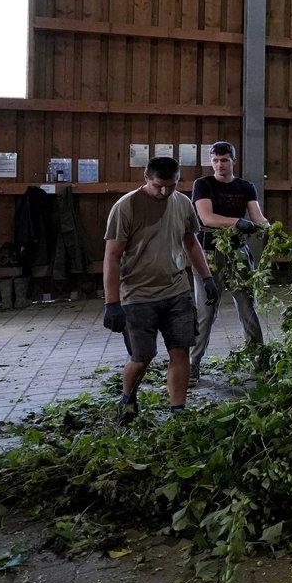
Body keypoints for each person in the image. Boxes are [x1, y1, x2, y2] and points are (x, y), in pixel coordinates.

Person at [103, 156, 217, 420]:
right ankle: (127, 399)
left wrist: (206, 277)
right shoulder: (126, 207)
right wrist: (112, 303)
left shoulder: (183, 204)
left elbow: (191, 243)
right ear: (146, 178)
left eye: (171, 185)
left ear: (178, 180)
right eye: (158, 186)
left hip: (176, 291)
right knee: (142, 357)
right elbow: (112, 256)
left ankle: (177, 411)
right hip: (138, 295)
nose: (165, 192)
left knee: (180, 350)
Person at [190, 141, 269, 380]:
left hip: (238, 253)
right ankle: (194, 362)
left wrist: (269, 229)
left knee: (248, 307)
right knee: (206, 311)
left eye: (224, 160)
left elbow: (256, 216)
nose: (219, 165)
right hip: (210, 256)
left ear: (234, 161)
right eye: (215, 160)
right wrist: (236, 222)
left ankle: (259, 359)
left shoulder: (246, 187)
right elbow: (206, 217)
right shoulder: (202, 185)